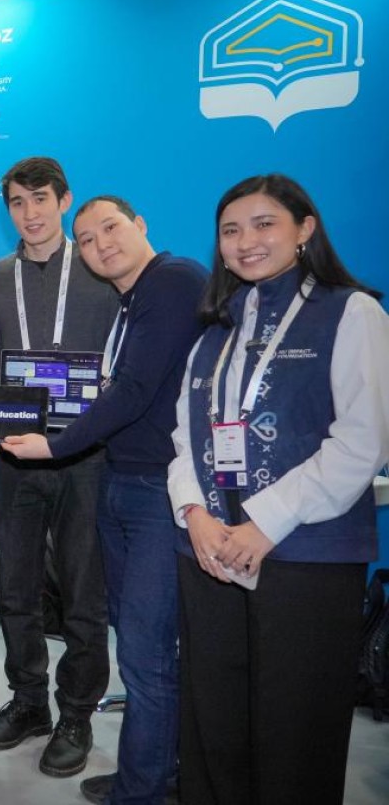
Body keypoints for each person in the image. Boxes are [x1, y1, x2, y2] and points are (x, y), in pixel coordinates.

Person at [167, 174, 389, 805]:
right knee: (213, 722)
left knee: (296, 727)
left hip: (305, 555)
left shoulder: (352, 312)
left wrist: (265, 522)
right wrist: (194, 514)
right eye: (231, 230)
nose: (246, 242)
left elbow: (365, 440)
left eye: (264, 224)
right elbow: (183, 439)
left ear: (305, 229)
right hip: (210, 551)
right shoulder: (215, 331)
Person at [2, 197, 207, 804]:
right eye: (87, 240)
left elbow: (134, 389)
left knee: (145, 654)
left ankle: (144, 788)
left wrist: (54, 444)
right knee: (140, 646)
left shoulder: (173, 281)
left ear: (141, 225)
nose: (100, 246)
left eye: (110, 229)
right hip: (125, 479)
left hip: (156, 491)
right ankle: (151, 771)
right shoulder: (132, 301)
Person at [0, 156, 117, 778]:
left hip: (85, 454)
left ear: (64, 200)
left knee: (83, 591)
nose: (29, 213)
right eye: (17, 202)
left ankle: (76, 714)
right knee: (17, 587)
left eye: (39, 199)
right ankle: (29, 699)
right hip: (15, 454)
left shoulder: (100, 267)